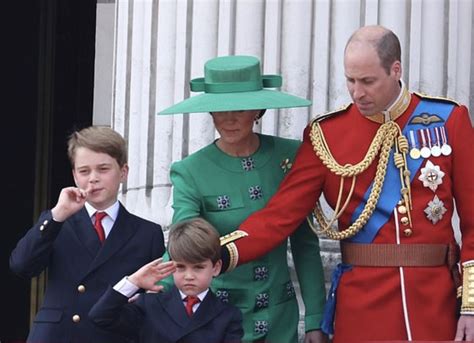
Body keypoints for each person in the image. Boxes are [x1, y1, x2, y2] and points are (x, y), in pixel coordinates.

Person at [217, 25, 474, 342]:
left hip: (435, 304)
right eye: (350, 81)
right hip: (362, 308)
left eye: (367, 81)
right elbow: (279, 216)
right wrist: (218, 252)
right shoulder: (326, 135)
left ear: (396, 70)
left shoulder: (448, 120)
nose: (357, 92)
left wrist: (471, 306)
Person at [159, 55, 327, 343]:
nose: (229, 119)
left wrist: (315, 319)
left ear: (258, 110)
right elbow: (184, 240)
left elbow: (305, 245)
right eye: (220, 110)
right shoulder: (190, 171)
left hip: (279, 319)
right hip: (217, 319)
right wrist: (148, 289)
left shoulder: (291, 157)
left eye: (239, 108)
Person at [10, 126, 166, 343]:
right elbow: (21, 265)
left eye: (103, 169)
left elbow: (156, 297)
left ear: (123, 172)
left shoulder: (147, 233)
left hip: (114, 335)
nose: (93, 178)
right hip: (59, 336)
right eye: (84, 171)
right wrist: (57, 215)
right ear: (74, 175)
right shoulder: (57, 221)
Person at [89, 217, 244, 343]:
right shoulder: (149, 305)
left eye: (198, 267)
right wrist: (133, 281)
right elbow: (100, 316)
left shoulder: (228, 316)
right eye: (181, 267)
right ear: (171, 265)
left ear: (216, 268)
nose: (189, 276)